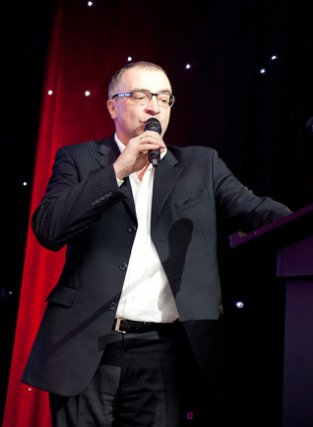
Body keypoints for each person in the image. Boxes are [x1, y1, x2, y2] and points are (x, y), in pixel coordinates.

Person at [22, 61, 291, 427]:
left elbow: (258, 211)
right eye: (141, 96)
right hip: (87, 344)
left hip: (164, 350)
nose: (154, 107)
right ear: (112, 106)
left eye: (164, 99)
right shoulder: (79, 159)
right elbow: (49, 229)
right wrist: (118, 171)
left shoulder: (201, 164)